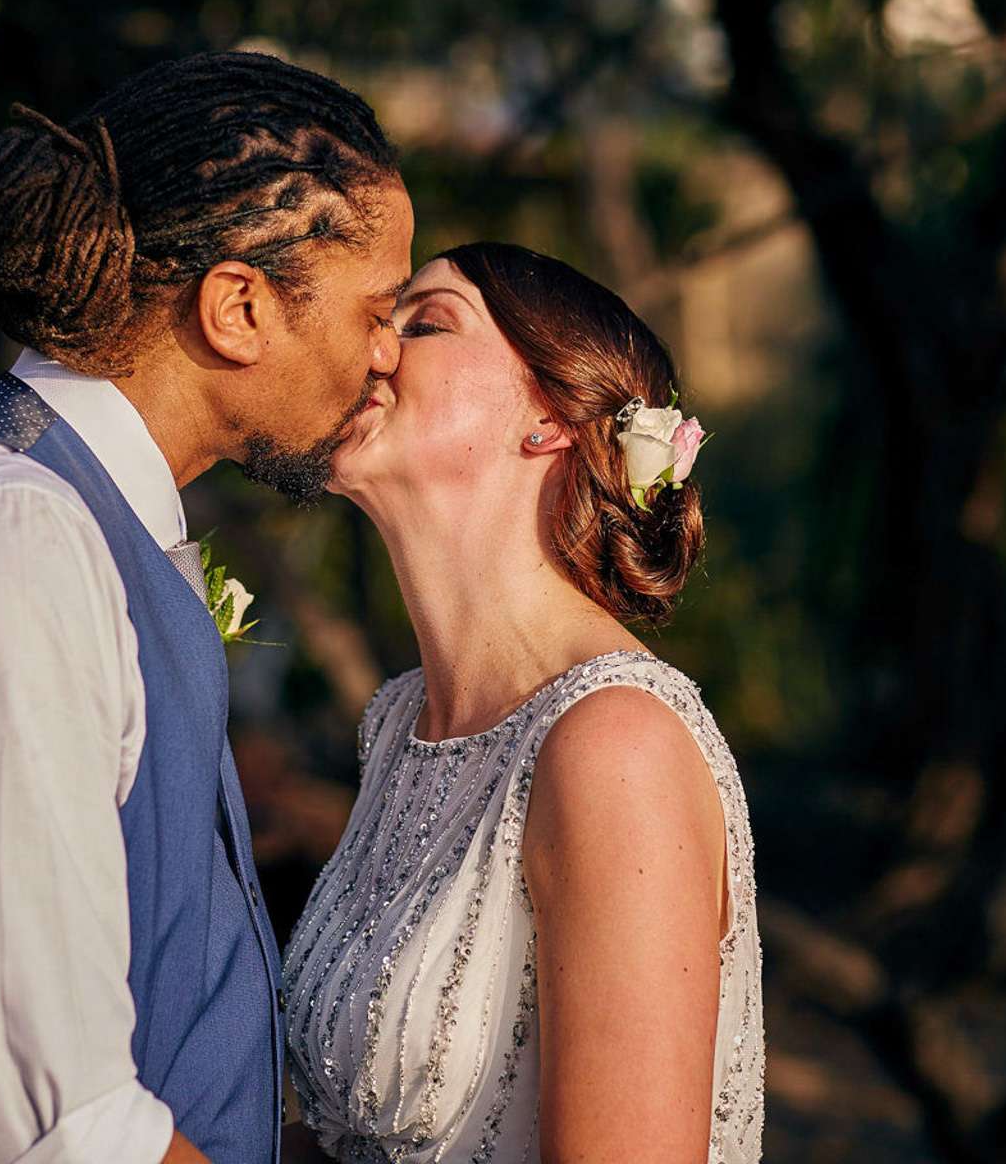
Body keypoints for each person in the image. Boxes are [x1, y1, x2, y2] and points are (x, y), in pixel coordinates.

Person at [0, 51, 415, 1164]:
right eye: (378, 310)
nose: (388, 357)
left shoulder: (91, 524)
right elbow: (48, 1127)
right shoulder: (3, 539)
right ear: (239, 307)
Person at [283, 243, 764, 1162]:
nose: (375, 348)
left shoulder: (615, 746)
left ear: (549, 421)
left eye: (424, 323)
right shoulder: (397, 723)